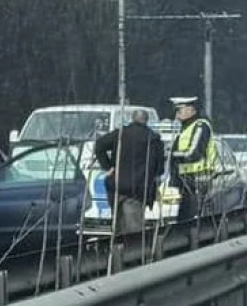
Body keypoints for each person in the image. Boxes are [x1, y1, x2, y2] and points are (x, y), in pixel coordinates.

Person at [93, 110, 165, 240]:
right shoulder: (153, 139)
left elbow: (99, 145)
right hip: (137, 190)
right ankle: (133, 258)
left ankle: (117, 254)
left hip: (116, 187)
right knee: (134, 232)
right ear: (146, 120)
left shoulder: (120, 134)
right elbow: (159, 169)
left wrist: (108, 167)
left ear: (132, 118)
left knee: (118, 227)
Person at [167, 96, 220, 226]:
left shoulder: (200, 126)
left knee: (192, 218)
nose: (177, 113)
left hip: (197, 178)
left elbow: (194, 153)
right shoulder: (186, 127)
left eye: (180, 109)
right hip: (186, 180)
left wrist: (172, 154)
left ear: (192, 110)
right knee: (184, 217)